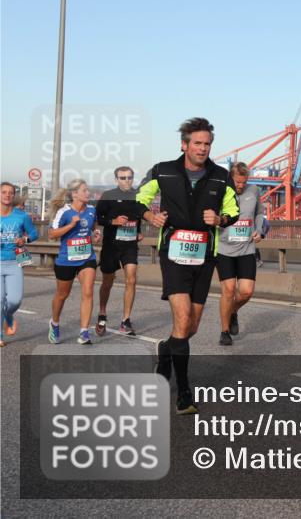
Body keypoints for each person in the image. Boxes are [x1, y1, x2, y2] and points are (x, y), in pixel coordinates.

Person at [137, 118, 239, 414]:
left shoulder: (221, 177)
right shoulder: (163, 171)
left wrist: (220, 220)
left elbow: (232, 211)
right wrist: (149, 217)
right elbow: (138, 199)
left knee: (191, 327)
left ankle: (165, 350)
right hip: (173, 254)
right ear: (184, 144)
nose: (203, 148)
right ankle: (183, 392)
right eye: (197, 143)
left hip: (205, 257)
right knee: (182, 321)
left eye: (207, 144)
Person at [216, 162, 265, 346]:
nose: (241, 186)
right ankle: (224, 331)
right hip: (224, 249)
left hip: (246, 248)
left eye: (244, 182)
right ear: (231, 178)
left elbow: (260, 213)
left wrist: (259, 230)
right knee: (228, 291)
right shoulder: (221, 191)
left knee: (246, 292)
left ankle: (233, 311)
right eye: (237, 182)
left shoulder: (254, 190)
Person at [48, 179, 100, 344]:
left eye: (87, 190)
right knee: (63, 295)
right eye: (84, 191)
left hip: (87, 257)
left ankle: (84, 332)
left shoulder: (92, 209)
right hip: (66, 259)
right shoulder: (64, 212)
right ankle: (54, 323)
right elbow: (51, 234)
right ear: (74, 194)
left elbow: (94, 226)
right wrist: (71, 225)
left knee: (88, 291)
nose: (88, 193)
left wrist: (96, 233)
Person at [95, 166, 142, 336]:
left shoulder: (138, 195)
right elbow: (97, 217)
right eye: (123, 178)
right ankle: (102, 313)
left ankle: (126, 320)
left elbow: (140, 216)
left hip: (129, 245)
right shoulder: (108, 196)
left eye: (129, 177)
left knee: (132, 279)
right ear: (116, 179)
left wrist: (139, 232)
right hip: (111, 246)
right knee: (108, 281)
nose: (127, 180)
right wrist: (112, 221)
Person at [1, 182, 39, 347]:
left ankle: (8, 315)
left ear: (13, 195)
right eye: (4, 192)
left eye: (10, 193)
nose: (7, 195)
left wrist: (24, 240)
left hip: (15, 262)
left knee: (15, 300)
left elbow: (34, 233)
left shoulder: (21, 215)